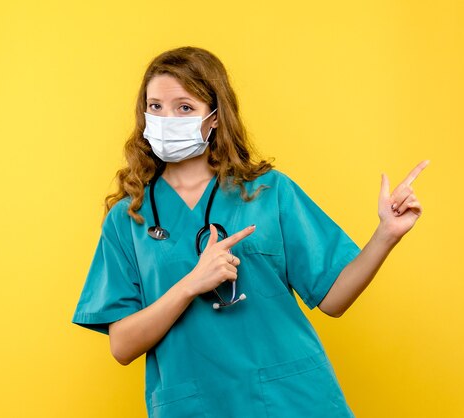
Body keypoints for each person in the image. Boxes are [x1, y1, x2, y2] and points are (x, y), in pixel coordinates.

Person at [71, 46, 428, 418]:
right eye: (155, 107)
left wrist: (387, 234)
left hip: (290, 400)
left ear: (214, 117)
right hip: (195, 405)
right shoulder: (129, 216)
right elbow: (122, 345)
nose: (165, 118)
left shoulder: (268, 192)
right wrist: (191, 283)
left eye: (184, 107)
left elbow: (333, 299)